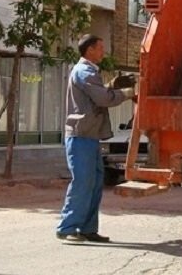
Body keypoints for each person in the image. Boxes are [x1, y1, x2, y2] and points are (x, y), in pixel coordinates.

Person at [56, 34, 135, 243]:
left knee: (94, 183)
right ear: (90, 50)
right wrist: (126, 93)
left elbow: (97, 95)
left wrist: (110, 86)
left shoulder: (89, 72)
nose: (103, 51)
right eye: (100, 48)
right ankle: (68, 227)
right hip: (81, 136)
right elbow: (102, 99)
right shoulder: (85, 71)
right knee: (83, 183)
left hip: (89, 136)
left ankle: (87, 228)